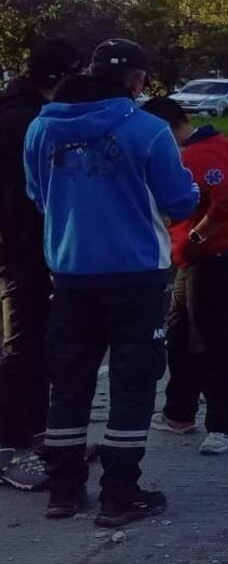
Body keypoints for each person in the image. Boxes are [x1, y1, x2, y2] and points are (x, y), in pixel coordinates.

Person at [24, 39, 199, 525]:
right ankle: (119, 495)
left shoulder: (42, 128)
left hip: (70, 271)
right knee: (133, 380)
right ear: (138, 81)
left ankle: (63, 490)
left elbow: (39, 196)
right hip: (136, 275)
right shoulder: (149, 130)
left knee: (69, 379)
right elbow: (181, 203)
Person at [140, 97, 228, 456]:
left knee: (212, 340)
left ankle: (222, 424)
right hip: (197, 258)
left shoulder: (200, 155)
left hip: (221, 258)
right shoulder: (203, 147)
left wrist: (196, 236)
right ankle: (179, 413)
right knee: (178, 331)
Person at [0, 38, 83, 491]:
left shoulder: (19, 110)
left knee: (37, 340)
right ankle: (10, 443)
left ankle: (36, 432)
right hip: (20, 247)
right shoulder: (25, 122)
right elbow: (24, 196)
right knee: (23, 341)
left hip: (25, 245)